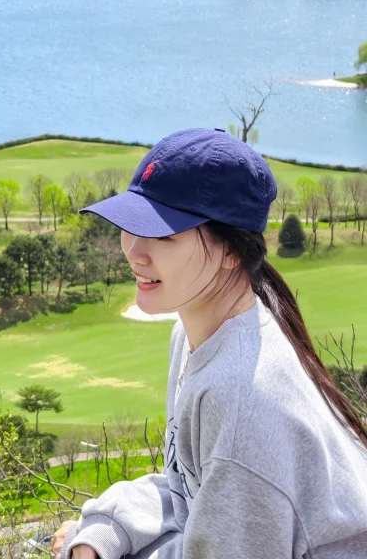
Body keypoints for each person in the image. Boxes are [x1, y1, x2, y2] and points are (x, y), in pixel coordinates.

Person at [54, 128, 367, 559]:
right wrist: (104, 532)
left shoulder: (241, 395)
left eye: (163, 234)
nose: (133, 251)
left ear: (232, 249)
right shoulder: (195, 334)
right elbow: (191, 489)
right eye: (131, 224)